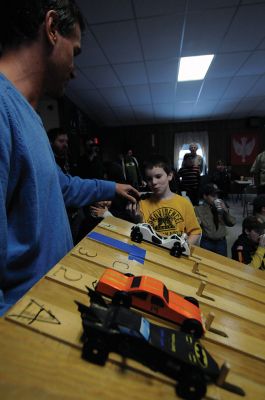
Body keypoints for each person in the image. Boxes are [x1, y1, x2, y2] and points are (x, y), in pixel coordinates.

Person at [0, 0, 139, 314]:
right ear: (51, 29)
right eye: (74, 52)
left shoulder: (30, 118)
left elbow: (57, 186)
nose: (74, 71)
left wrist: (110, 188)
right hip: (23, 328)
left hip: (48, 308)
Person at [131, 155, 201, 245]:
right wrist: (137, 218)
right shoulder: (142, 203)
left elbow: (195, 232)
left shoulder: (184, 203)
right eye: (149, 179)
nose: (154, 182)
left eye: (158, 176)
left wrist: (183, 248)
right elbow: (142, 234)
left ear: (170, 175)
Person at [195, 184, 236, 256]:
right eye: (213, 196)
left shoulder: (222, 206)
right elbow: (195, 226)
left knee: (222, 264)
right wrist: (197, 222)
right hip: (207, 242)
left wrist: (225, 211)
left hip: (221, 242)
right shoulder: (199, 210)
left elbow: (232, 223)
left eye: (217, 195)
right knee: (206, 265)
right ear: (205, 196)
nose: (216, 198)